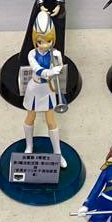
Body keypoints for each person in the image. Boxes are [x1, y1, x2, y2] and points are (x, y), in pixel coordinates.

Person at [22, 11, 66, 164]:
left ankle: (58, 154)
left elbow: (59, 68)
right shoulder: (31, 54)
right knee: (30, 117)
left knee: (51, 121)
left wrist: (59, 65)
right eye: (40, 41)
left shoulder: (55, 53)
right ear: (35, 39)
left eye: (48, 40)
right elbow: (37, 69)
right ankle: (29, 146)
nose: (45, 45)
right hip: (35, 88)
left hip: (48, 89)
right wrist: (50, 72)